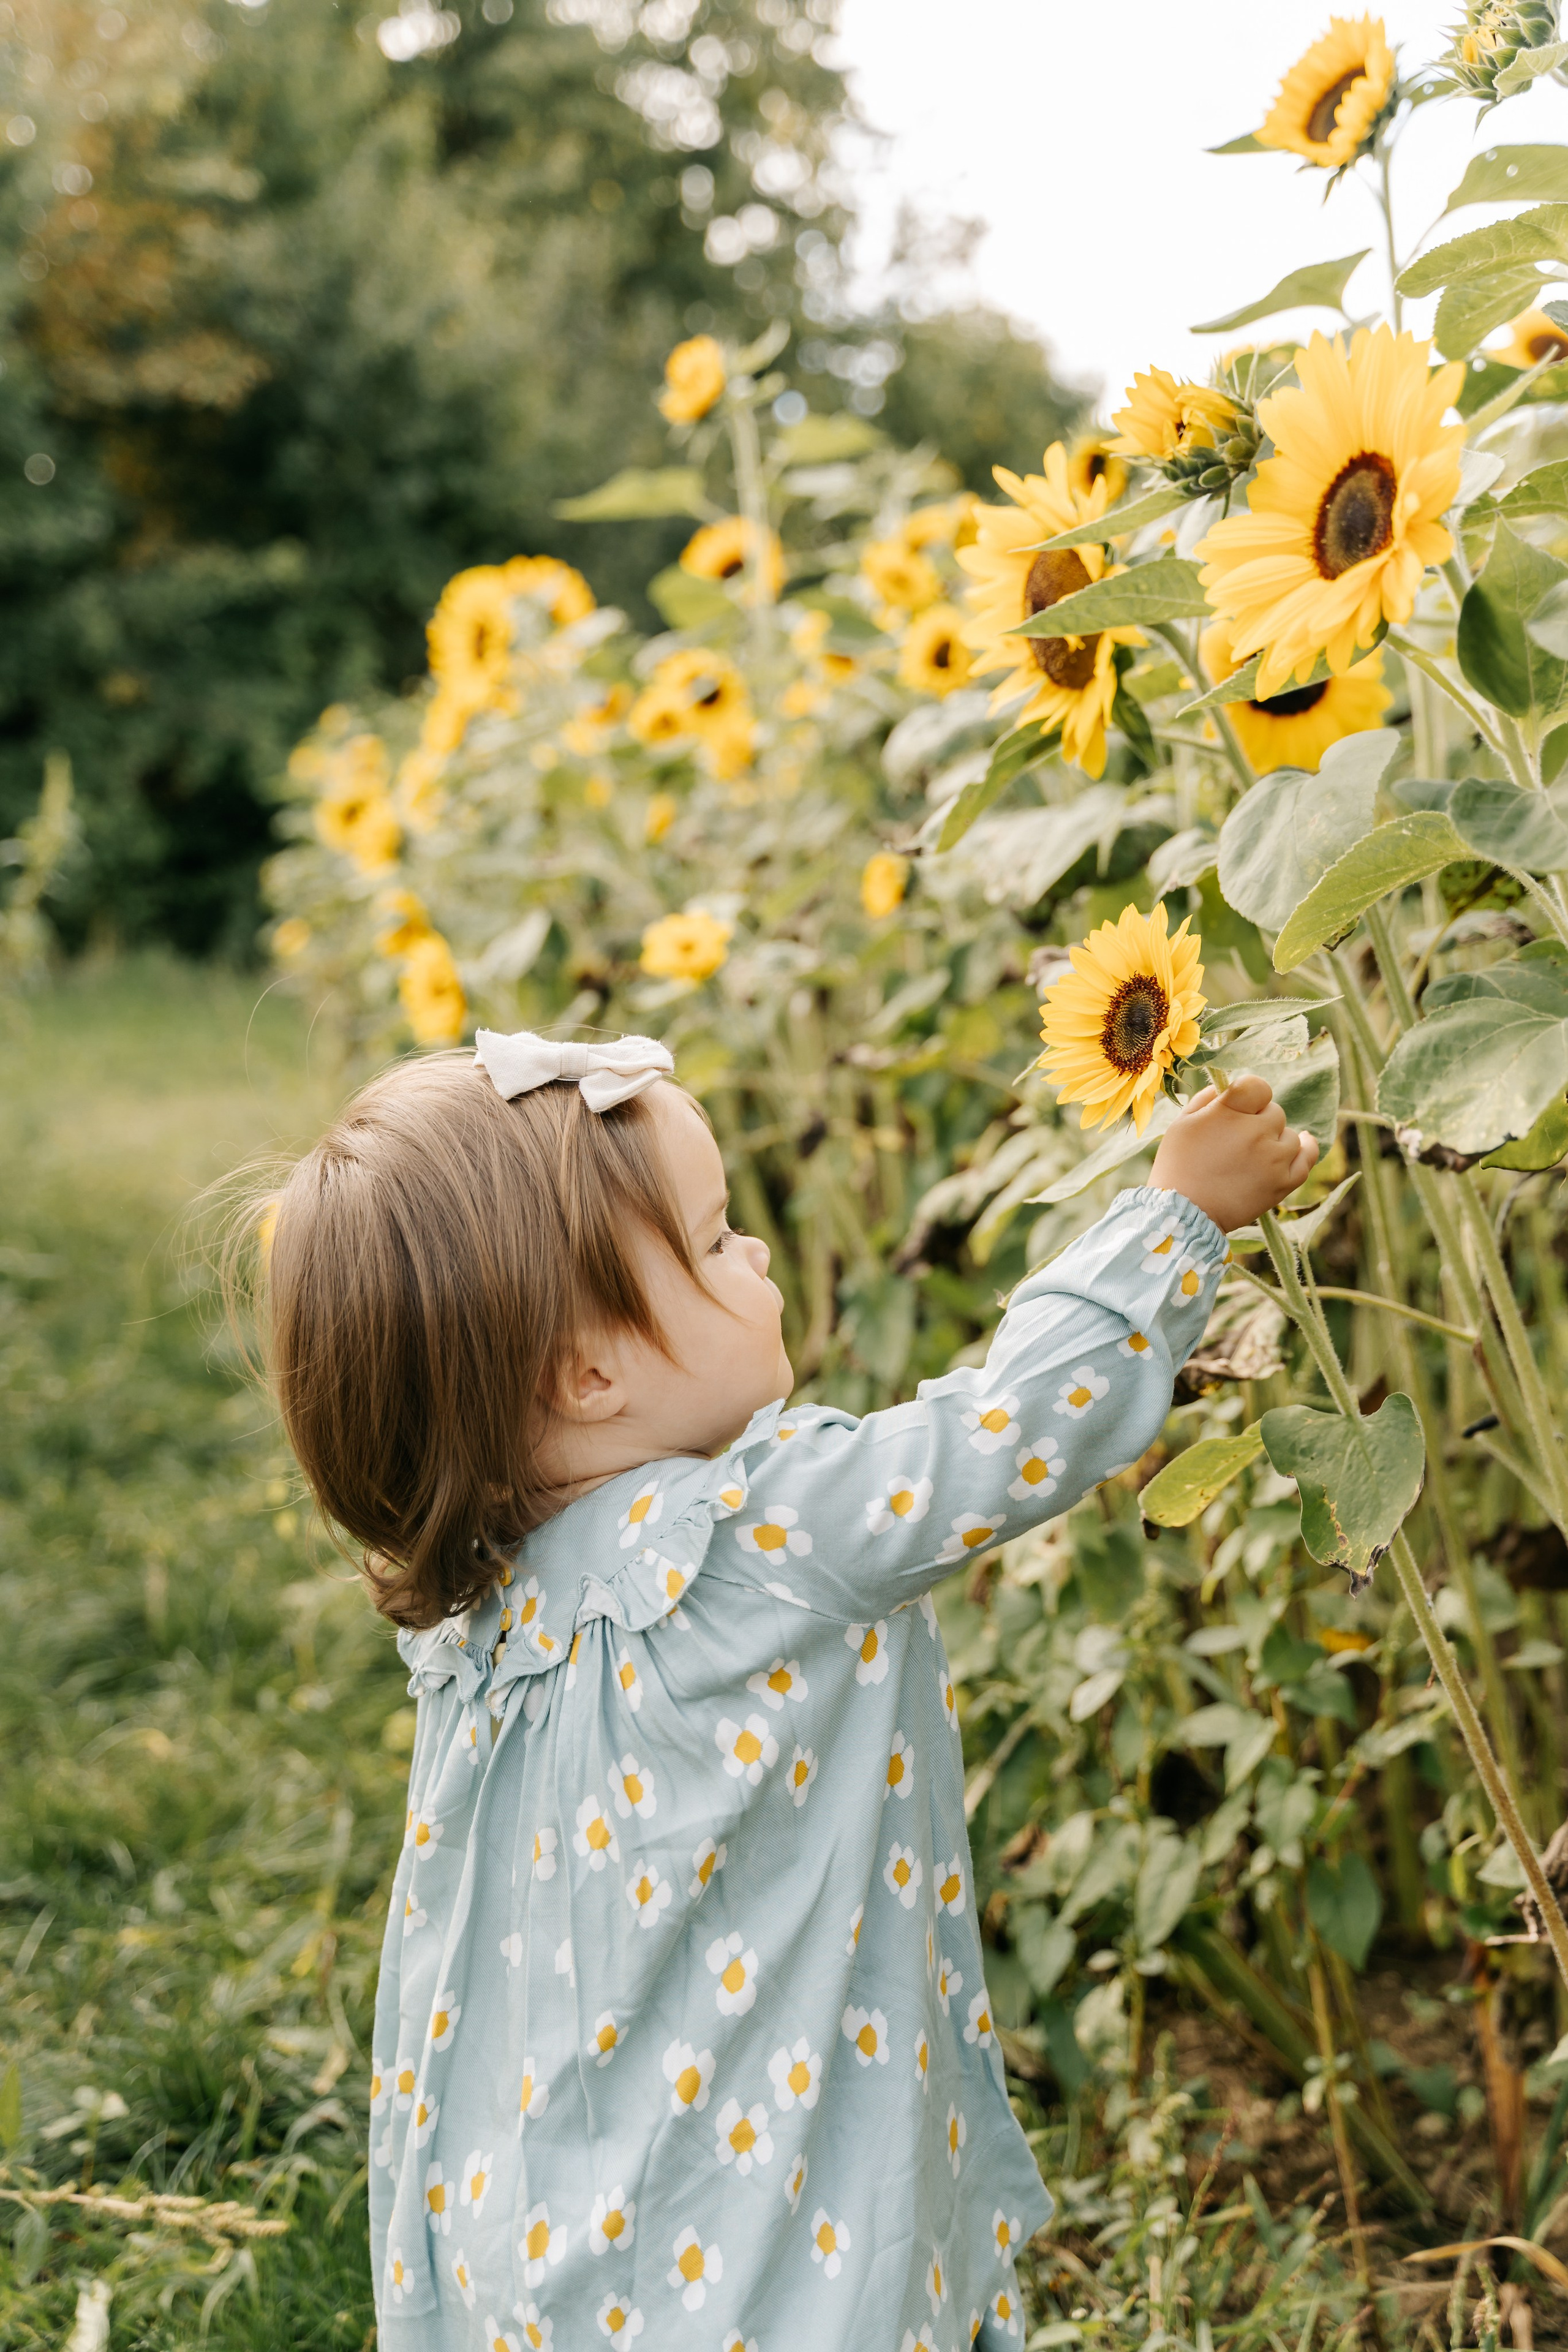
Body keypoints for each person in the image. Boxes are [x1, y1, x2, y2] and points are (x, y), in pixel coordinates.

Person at [244, 1031, 1316, 2348]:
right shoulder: (759, 1538)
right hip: (772, 2228)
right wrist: (1175, 1215)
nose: (750, 1257)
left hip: (546, 2216)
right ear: (588, 1376)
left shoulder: (487, 1617)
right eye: (709, 1244)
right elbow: (1009, 1429)